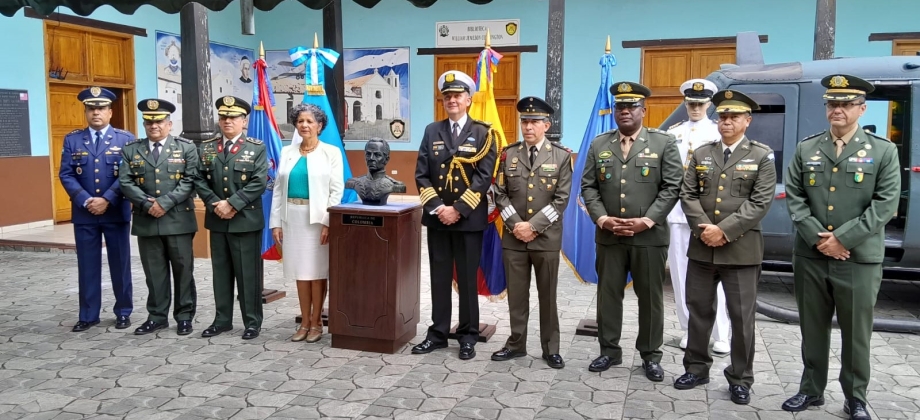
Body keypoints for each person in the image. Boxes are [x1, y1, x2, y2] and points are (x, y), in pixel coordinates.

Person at [781, 75, 900, 420]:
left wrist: (842, 240)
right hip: (811, 255)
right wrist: (821, 239)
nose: (838, 110)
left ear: (862, 109)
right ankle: (811, 390)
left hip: (858, 259)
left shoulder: (883, 150)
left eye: (846, 104)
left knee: (856, 332)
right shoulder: (807, 148)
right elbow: (796, 198)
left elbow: (885, 204)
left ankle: (856, 397)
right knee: (812, 327)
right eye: (833, 104)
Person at [673, 90, 776, 405]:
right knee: (699, 311)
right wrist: (705, 228)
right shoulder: (703, 153)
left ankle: (740, 378)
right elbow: (687, 193)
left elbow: (760, 202)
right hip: (703, 247)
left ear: (748, 120)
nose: (727, 121)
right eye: (723, 116)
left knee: (741, 318)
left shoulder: (761, 156)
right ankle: (697, 367)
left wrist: (723, 231)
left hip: (740, 251)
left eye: (734, 117)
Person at [580, 81, 682, 380]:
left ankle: (650, 355)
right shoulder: (600, 144)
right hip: (609, 236)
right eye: (620, 107)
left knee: (650, 298)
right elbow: (588, 186)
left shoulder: (664, 143)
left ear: (643, 110)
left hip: (648, 237)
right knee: (608, 295)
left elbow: (671, 186)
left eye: (631, 107)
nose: (625, 112)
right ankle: (609, 351)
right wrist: (603, 219)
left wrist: (647, 221)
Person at [412, 70, 498, 360]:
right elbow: (421, 175)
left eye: (457, 95)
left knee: (467, 280)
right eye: (447, 96)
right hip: (437, 220)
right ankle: (437, 333)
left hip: (468, 220)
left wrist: (457, 210)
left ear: (468, 99)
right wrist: (439, 208)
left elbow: (483, 178)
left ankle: (468, 335)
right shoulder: (431, 131)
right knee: (438, 277)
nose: (451, 100)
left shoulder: (484, 133)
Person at [491, 96, 572, 369]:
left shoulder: (561, 156)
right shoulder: (508, 154)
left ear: (546, 125)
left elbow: (561, 200)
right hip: (514, 240)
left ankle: (551, 348)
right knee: (517, 294)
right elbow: (499, 194)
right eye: (525, 121)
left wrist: (533, 227)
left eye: (535, 121)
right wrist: (516, 225)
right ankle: (516, 344)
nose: (528, 126)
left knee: (547, 295)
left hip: (546, 239)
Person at [118, 99, 200, 336]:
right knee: (154, 273)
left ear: (169, 124)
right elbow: (125, 181)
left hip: (177, 220)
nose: (154, 126)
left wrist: (164, 203)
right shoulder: (132, 149)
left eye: (159, 121)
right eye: (149, 121)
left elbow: (190, 179)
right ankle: (156, 316)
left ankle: (184, 316)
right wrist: (145, 203)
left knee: (183, 270)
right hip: (147, 220)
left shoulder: (185, 148)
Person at [59, 86, 134, 332]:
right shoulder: (73, 139)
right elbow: (66, 174)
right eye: (91, 109)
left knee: (120, 264)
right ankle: (88, 314)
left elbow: (128, 174)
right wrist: (86, 200)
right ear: (86, 112)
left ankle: (123, 311)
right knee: (87, 265)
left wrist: (108, 199)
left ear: (110, 112)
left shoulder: (126, 139)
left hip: (115, 211)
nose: (96, 113)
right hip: (85, 213)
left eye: (101, 108)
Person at [194, 95, 269, 340]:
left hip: (245, 221)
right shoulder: (206, 147)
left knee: (248, 274)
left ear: (244, 121)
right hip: (218, 219)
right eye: (223, 116)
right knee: (221, 272)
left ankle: (252, 322)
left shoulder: (256, 148)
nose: (227, 121)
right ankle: (222, 320)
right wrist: (217, 204)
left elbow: (259, 181)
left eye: (233, 117)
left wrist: (232, 204)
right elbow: (199, 179)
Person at [666, 78, 731, 354]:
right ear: (685, 103)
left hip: (707, 214)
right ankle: (689, 329)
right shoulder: (673, 133)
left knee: (713, 276)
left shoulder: (718, 133)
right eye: (691, 103)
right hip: (677, 214)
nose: (695, 108)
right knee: (680, 276)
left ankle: (721, 333)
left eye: (700, 103)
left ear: (709, 104)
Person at [270, 103, 344, 343]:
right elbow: (278, 190)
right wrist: (276, 223)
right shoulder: (287, 153)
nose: (304, 125)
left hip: (317, 220)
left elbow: (336, 190)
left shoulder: (331, 153)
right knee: (301, 273)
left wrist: (328, 222)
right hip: (292, 217)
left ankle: (316, 323)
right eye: (300, 121)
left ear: (320, 126)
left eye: (310, 121)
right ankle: (303, 321)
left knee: (317, 273)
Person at [346, 138, 407, 205]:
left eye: (377, 155)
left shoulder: (394, 185)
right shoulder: (354, 182)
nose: (371, 158)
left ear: (386, 159)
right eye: (368, 154)